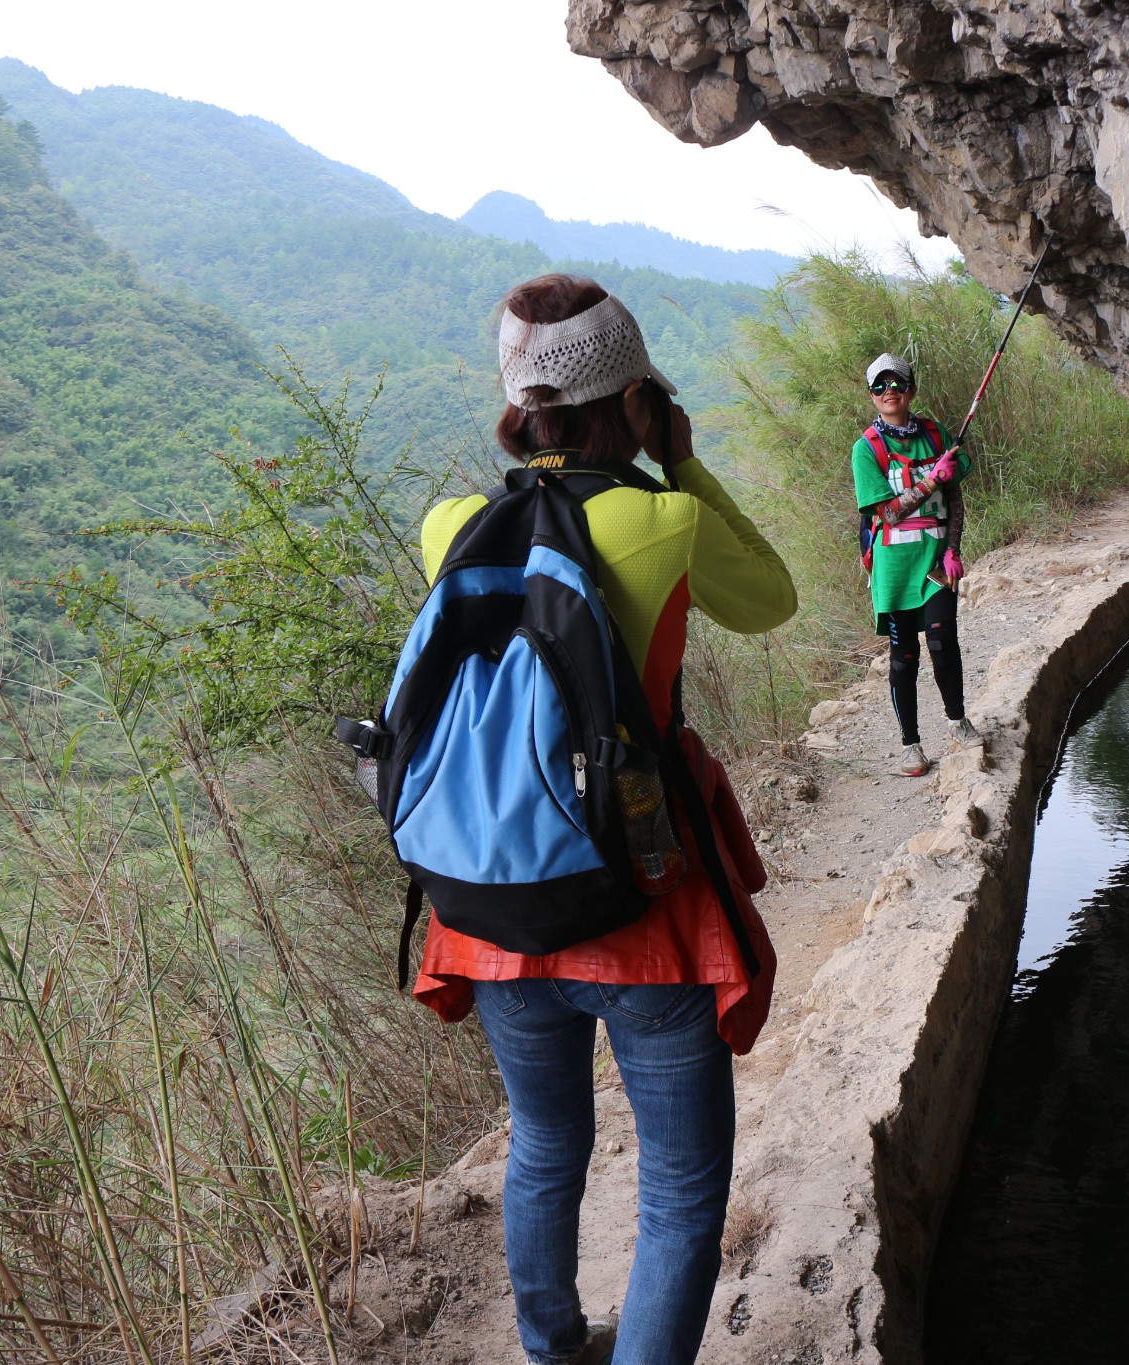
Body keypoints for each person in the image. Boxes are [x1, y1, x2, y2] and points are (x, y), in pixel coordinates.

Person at [409, 275, 795, 1365]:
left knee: (542, 1145)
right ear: (635, 397)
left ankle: (552, 1348)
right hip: (641, 906)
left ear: (513, 406)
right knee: (676, 1192)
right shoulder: (664, 517)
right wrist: (677, 456)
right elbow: (768, 600)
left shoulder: (448, 526)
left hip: (490, 903)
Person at [853, 352, 978, 777]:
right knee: (903, 656)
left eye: (898, 384)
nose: (890, 392)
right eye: (880, 386)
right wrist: (931, 480)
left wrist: (953, 549)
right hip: (892, 569)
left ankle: (958, 721)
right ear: (871, 395)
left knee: (943, 643)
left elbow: (954, 495)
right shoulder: (865, 449)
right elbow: (886, 513)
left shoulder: (934, 432)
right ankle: (911, 746)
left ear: (912, 389)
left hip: (936, 563)